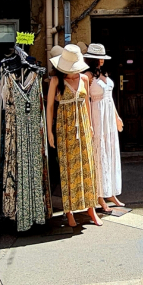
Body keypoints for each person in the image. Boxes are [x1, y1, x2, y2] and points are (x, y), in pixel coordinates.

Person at [46, 44, 100, 228]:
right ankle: (69, 211)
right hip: (65, 128)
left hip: (83, 126)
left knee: (87, 166)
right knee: (67, 169)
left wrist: (90, 125)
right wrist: (50, 132)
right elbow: (50, 107)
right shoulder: (56, 81)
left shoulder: (84, 78)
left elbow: (87, 103)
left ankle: (91, 208)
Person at [85, 42, 124, 213]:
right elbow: (86, 100)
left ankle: (111, 191)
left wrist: (116, 116)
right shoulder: (87, 76)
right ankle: (100, 195)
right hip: (97, 115)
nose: (101, 60)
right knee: (99, 153)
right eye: (99, 58)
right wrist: (89, 123)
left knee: (110, 151)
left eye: (102, 58)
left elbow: (110, 98)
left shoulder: (104, 74)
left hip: (108, 115)